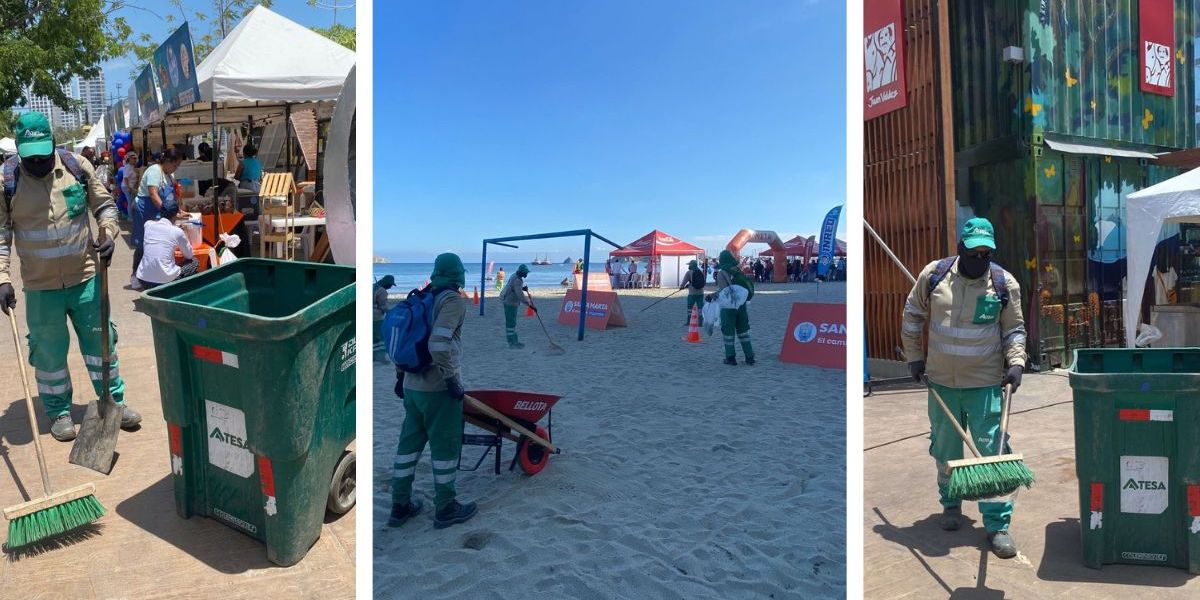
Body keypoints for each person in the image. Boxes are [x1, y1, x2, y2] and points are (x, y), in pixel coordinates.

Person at [0, 111, 141, 441]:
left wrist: (108, 233)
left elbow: (105, 207)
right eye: (31, 158)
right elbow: (2, 234)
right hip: (40, 287)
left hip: (87, 278)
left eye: (44, 154)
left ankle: (112, 403)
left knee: (100, 344)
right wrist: (2, 278)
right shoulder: (7, 180)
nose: (39, 163)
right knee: (49, 354)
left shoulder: (77, 167)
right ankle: (58, 411)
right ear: (19, 151)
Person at [900, 217, 1026, 559]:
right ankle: (951, 505)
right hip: (941, 383)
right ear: (961, 249)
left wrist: (1016, 362)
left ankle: (998, 525)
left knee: (992, 452)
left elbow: (1014, 329)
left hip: (985, 384)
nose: (980, 259)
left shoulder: (1003, 284)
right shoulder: (935, 275)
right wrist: (914, 356)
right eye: (974, 252)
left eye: (987, 253)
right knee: (946, 450)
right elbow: (912, 315)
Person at [388, 253, 478, 529]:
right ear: (458, 274)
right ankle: (446, 508)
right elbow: (438, 344)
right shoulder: (451, 301)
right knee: (445, 447)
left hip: (412, 387)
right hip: (437, 389)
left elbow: (402, 338)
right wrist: (451, 379)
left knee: (408, 447)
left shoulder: (421, 297)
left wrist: (399, 377)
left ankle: (400, 505)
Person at [131, 148, 183, 290]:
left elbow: (170, 198)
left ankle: (153, 276)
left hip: (157, 210)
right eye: (175, 165)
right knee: (143, 243)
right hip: (145, 209)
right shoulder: (155, 170)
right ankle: (135, 275)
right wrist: (167, 212)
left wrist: (178, 210)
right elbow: (153, 194)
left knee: (157, 243)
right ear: (167, 161)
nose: (175, 168)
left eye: (177, 166)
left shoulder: (169, 175)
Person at [135, 202, 198, 289]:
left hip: (143, 279)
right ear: (176, 215)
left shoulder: (148, 224)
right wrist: (184, 234)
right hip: (164, 280)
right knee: (194, 262)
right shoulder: (177, 231)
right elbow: (189, 255)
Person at [710, 250, 755, 365]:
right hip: (741, 305)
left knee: (728, 333)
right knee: (743, 331)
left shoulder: (722, 273)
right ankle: (749, 357)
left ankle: (730, 358)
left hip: (728, 307)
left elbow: (724, 291)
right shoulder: (738, 271)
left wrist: (712, 295)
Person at [498, 264, 534, 348]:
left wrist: (522, 288)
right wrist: (529, 305)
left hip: (510, 301)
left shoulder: (515, 276)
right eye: (525, 273)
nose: (526, 275)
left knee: (512, 323)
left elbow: (514, 288)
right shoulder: (518, 280)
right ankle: (512, 343)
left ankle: (514, 341)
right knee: (511, 323)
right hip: (510, 302)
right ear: (521, 272)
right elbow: (520, 295)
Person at [374, 275, 396, 358]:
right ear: (387, 283)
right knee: (380, 337)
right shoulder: (382, 291)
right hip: (376, 317)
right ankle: (380, 356)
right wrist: (390, 313)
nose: (390, 287)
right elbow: (383, 306)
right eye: (390, 285)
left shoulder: (373, 286)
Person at [682, 259, 706, 326]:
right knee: (700, 308)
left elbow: (684, 281)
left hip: (692, 293)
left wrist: (682, 287)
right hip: (700, 292)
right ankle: (700, 322)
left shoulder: (689, 272)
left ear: (691, 265)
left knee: (690, 307)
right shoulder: (700, 271)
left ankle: (688, 321)